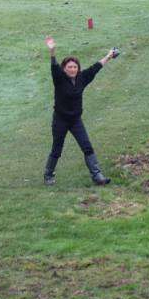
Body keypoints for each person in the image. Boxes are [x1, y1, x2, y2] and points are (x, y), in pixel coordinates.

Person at [44, 36, 117, 187]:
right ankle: (48, 174)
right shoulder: (59, 79)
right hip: (60, 120)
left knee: (87, 146)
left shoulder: (82, 78)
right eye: (69, 67)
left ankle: (97, 176)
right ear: (64, 69)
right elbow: (54, 67)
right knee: (57, 148)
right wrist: (52, 51)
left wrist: (109, 56)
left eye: (75, 67)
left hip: (76, 120)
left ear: (78, 69)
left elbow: (96, 67)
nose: (72, 69)